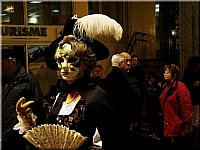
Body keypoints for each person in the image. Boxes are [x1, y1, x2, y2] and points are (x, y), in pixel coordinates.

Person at [14, 14, 124, 150]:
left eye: (72, 60)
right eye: (60, 60)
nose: (64, 66)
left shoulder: (96, 97)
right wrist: (27, 120)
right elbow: (42, 134)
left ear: (85, 63)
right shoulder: (55, 96)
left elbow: (112, 140)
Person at [1, 48, 45, 150]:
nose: (0, 67)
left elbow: (39, 108)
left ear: (13, 62)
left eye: (2, 63)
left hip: (17, 141)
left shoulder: (28, 81)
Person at [104, 53, 137, 149]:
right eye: (125, 62)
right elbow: (129, 99)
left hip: (111, 117)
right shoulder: (122, 79)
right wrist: (133, 117)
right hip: (123, 117)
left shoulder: (107, 79)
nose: (127, 64)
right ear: (120, 64)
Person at [159, 64, 193, 149]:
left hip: (177, 125)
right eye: (164, 72)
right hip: (166, 124)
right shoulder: (165, 87)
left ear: (174, 75)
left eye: (167, 73)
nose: (165, 74)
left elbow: (186, 107)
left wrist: (187, 124)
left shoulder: (181, 87)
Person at [120, 52, 143, 148]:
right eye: (127, 61)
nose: (129, 63)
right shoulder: (120, 77)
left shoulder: (133, 73)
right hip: (127, 113)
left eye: (130, 60)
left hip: (136, 109)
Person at [181, 56, 200, 149]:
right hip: (193, 100)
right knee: (194, 121)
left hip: (196, 99)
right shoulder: (189, 74)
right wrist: (193, 84)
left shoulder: (196, 73)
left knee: (195, 121)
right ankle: (193, 141)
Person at [129, 54, 147, 145]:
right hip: (132, 97)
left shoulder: (140, 71)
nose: (134, 62)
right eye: (133, 60)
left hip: (138, 97)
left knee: (138, 116)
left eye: (136, 60)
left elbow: (143, 84)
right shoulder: (129, 71)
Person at [146, 72, 161, 138]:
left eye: (154, 78)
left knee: (155, 119)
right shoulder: (146, 86)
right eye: (151, 78)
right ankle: (152, 131)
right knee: (149, 118)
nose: (152, 80)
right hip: (149, 105)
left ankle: (154, 131)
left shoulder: (157, 87)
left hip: (155, 105)